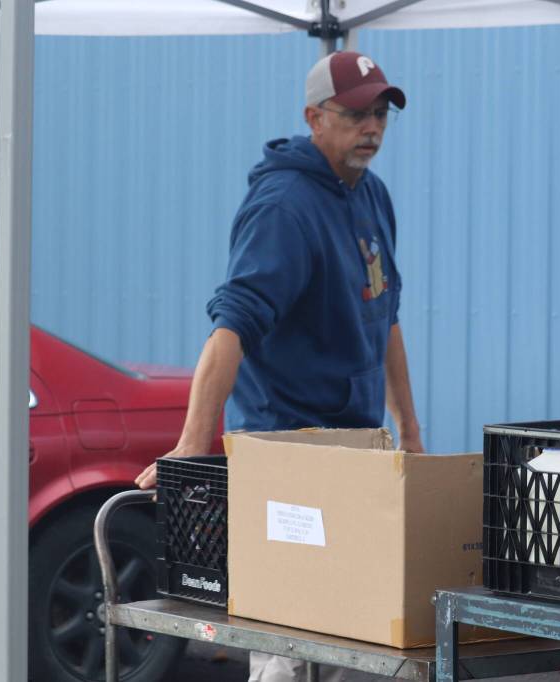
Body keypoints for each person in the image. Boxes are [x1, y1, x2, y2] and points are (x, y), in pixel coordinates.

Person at [135, 50, 422, 682]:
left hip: (354, 450)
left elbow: (385, 318)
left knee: (355, 637)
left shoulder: (371, 194)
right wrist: (189, 445)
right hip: (284, 453)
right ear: (314, 118)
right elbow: (231, 325)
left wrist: (412, 436)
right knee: (290, 645)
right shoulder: (284, 207)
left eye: (380, 114)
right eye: (354, 115)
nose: (371, 128)